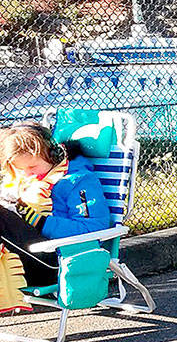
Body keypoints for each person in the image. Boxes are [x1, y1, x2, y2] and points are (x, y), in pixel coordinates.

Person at [0, 122, 112, 297]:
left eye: (32, 167)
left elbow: (94, 228)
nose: (27, 175)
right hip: (23, 255)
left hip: (59, 262)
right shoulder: (20, 181)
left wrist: (41, 221)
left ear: (54, 155)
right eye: (19, 169)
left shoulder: (79, 181)